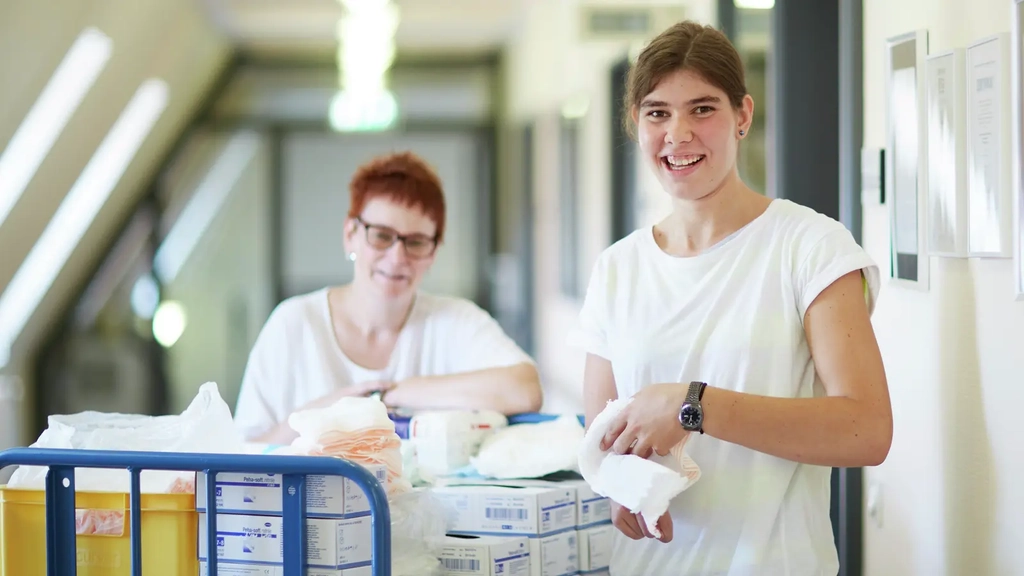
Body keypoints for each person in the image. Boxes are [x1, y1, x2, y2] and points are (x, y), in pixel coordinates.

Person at [570, 21, 892, 576]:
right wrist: (619, 485)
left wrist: (693, 406)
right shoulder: (617, 269)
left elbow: (867, 430)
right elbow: (601, 434)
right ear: (637, 123)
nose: (678, 134)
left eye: (702, 109)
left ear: (742, 115)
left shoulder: (810, 247)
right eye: (657, 113)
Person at [234, 151, 542, 444]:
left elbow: (525, 389)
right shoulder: (293, 324)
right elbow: (242, 453)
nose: (397, 258)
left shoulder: (456, 321)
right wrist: (327, 414)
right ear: (350, 235)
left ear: (433, 252)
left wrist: (390, 394)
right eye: (381, 236)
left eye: (416, 242)